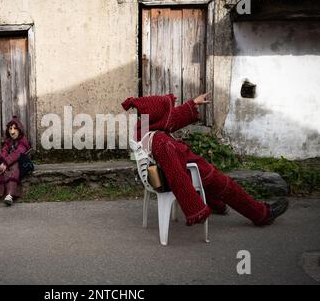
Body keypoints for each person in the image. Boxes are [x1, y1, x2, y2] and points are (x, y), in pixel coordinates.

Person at [122, 92, 289, 226]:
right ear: (160, 117)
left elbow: (172, 119)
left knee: (216, 187)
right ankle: (262, 214)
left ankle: (217, 205)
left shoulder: (143, 128)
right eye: (168, 111)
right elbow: (176, 174)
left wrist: (193, 103)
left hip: (184, 169)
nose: (171, 114)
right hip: (192, 170)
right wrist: (194, 208)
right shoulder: (161, 141)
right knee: (227, 186)